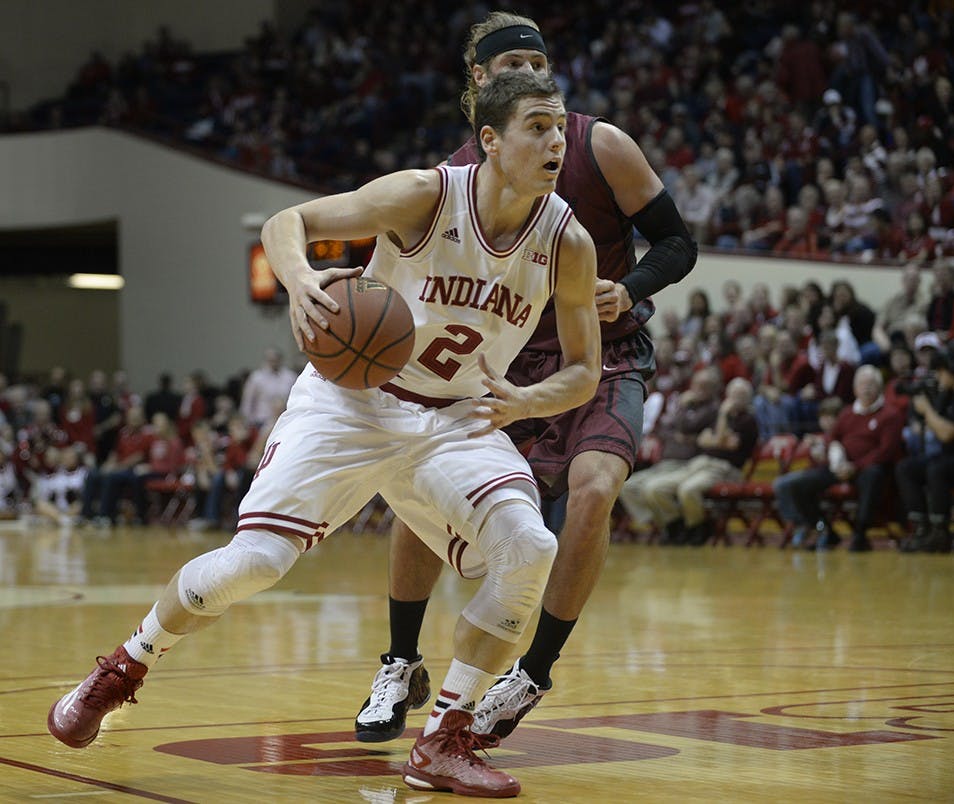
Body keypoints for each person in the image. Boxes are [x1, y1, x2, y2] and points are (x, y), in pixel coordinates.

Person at [48, 71, 602, 799]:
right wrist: (302, 280)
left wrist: (528, 398)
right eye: (538, 126)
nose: (556, 140)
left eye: (561, 126)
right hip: (351, 403)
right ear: (490, 141)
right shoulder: (425, 195)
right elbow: (289, 225)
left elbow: (587, 369)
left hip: (456, 417)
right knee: (255, 565)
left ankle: (444, 738)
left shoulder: (568, 242)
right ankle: (126, 663)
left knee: (529, 547)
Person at [354, 10, 697, 748]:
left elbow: (679, 241)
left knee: (596, 488)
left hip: (601, 354)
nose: (528, 77)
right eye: (510, 66)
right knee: (420, 482)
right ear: (478, 84)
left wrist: (631, 287)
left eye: (536, 66)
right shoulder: (454, 176)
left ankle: (531, 673)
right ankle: (401, 658)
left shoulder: (600, 143)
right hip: (502, 363)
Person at [774, 365, 904, 552]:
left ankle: (860, 533)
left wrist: (855, 467)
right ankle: (824, 529)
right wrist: (831, 455)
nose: (866, 388)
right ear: (855, 388)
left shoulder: (890, 415)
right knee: (797, 485)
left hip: (868, 469)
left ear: (880, 387)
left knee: (873, 474)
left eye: (871, 384)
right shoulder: (847, 413)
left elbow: (886, 451)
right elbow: (832, 438)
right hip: (839, 467)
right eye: (862, 384)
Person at [621, 377, 756, 546]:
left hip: (724, 469)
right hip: (700, 463)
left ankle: (697, 527)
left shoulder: (747, 420)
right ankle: (673, 524)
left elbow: (723, 441)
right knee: (655, 489)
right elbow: (703, 441)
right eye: (733, 394)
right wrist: (715, 438)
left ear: (748, 398)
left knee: (687, 490)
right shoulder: (720, 417)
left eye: (741, 395)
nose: (735, 399)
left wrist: (721, 420)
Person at [896, 344, 954, 553]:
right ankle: (922, 529)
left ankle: (940, 533)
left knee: (937, 469)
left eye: (940, 371)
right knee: (906, 467)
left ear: (953, 370)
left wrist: (927, 409)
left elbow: (947, 432)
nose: (938, 376)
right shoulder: (947, 393)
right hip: (948, 456)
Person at [239, 347, 297, 428]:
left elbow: (296, 398)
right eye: (270, 359)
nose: (273, 362)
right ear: (265, 360)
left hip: (284, 419)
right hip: (261, 420)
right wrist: (247, 421)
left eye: (275, 359)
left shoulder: (290, 376)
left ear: (280, 359)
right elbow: (248, 400)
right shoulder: (256, 377)